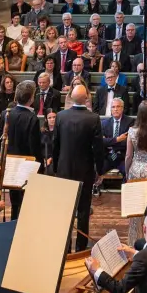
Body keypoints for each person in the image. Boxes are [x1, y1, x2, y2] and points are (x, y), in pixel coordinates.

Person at [53, 85, 107, 250]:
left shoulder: (61, 116)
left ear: (70, 97)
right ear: (87, 98)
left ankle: (65, 246)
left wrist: (56, 167)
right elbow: (98, 148)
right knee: (83, 210)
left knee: (65, 211)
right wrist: (100, 170)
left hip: (64, 169)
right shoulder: (93, 118)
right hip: (85, 170)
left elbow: (56, 144)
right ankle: (81, 248)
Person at [4, 81, 43, 219]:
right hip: (26, 164)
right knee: (26, 200)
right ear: (31, 98)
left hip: (9, 162)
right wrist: (40, 167)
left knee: (14, 200)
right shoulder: (32, 118)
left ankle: (13, 220)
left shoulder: (6, 113)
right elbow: (34, 146)